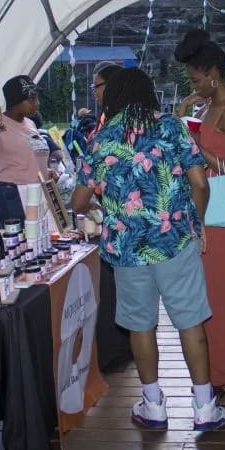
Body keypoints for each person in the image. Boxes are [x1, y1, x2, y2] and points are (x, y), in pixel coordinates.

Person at [70, 67, 225, 432]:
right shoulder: (171, 127)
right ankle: (205, 407)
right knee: (190, 320)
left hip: (127, 248)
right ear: (148, 93)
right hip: (176, 241)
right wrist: (198, 222)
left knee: (140, 325)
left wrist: (107, 205)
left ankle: (153, 406)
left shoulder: (101, 137)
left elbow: (77, 201)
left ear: (114, 97)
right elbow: (200, 183)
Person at [174, 30, 225, 406]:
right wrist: (184, 117)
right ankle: (219, 374)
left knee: (219, 296)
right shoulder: (206, 108)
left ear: (214, 74)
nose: (194, 86)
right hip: (208, 204)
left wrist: (197, 148)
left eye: (196, 80)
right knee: (206, 295)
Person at [80, 62, 133, 374]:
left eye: (97, 86)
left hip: (118, 222)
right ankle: (127, 347)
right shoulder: (134, 122)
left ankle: (115, 351)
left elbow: (81, 195)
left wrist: (84, 201)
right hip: (134, 222)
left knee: (114, 289)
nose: (95, 92)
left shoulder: (110, 129)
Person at [0, 75, 51, 226]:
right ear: (16, 102)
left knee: (36, 237)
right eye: (32, 99)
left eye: (37, 98)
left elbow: (29, 157)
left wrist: (46, 171)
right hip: (12, 194)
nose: (37, 103)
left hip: (35, 191)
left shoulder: (30, 123)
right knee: (18, 239)